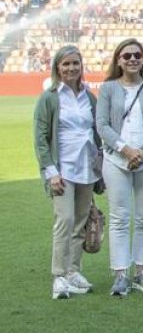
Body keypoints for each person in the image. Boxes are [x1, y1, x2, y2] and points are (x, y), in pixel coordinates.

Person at [96, 39, 143, 297]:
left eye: (137, 55)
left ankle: (142, 272)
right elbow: (102, 125)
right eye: (126, 56)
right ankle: (120, 274)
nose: (132, 59)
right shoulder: (107, 89)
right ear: (118, 60)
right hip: (116, 159)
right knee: (119, 217)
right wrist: (126, 150)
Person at [34, 45, 102, 299]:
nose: (71, 68)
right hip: (61, 169)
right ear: (57, 68)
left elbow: (96, 133)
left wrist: (100, 168)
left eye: (75, 63)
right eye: (66, 64)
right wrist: (50, 172)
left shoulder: (89, 96)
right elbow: (41, 137)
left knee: (81, 222)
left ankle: (73, 271)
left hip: (86, 166)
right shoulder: (50, 97)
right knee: (64, 220)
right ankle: (59, 276)